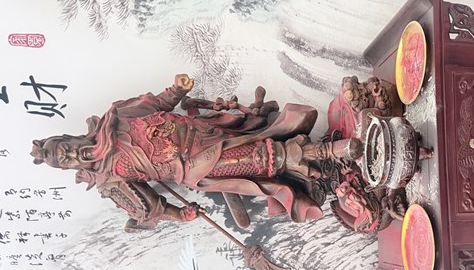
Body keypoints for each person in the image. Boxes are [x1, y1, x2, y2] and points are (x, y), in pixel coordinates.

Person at [30, 74, 356, 231]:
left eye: (67, 149)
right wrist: (180, 214)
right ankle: (330, 150)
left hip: (201, 131)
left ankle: (325, 154)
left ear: (71, 138)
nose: (73, 156)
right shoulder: (110, 180)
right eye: (66, 161)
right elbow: (147, 207)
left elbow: (156, 105)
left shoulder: (115, 118)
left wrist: (178, 89)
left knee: (256, 137)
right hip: (193, 165)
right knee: (260, 155)